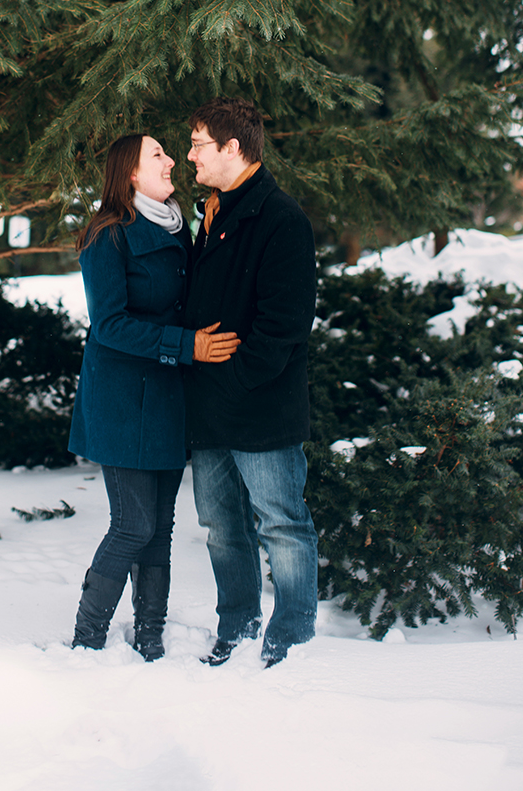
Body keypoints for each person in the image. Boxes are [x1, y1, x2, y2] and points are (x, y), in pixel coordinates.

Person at [68, 133, 240, 660]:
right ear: (130, 175)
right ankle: (87, 636)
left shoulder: (177, 227)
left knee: (159, 528)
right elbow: (110, 325)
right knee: (133, 524)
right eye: (158, 155)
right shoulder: (109, 236)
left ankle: (150, 636)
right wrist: (188, 346)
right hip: (122, 401)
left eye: (168, 152)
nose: (171, 161)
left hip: (167, 396)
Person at [182, 96, 318, 669]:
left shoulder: (281, 219)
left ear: (232, 148)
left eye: (197, 144)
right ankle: (236, 622)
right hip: (208, 409)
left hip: (259, 408)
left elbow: (283, 326)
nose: (190, 155)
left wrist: (233, 382)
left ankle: (294, 631)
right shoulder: (212, 212)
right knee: (219, 526)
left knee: (282, 524)